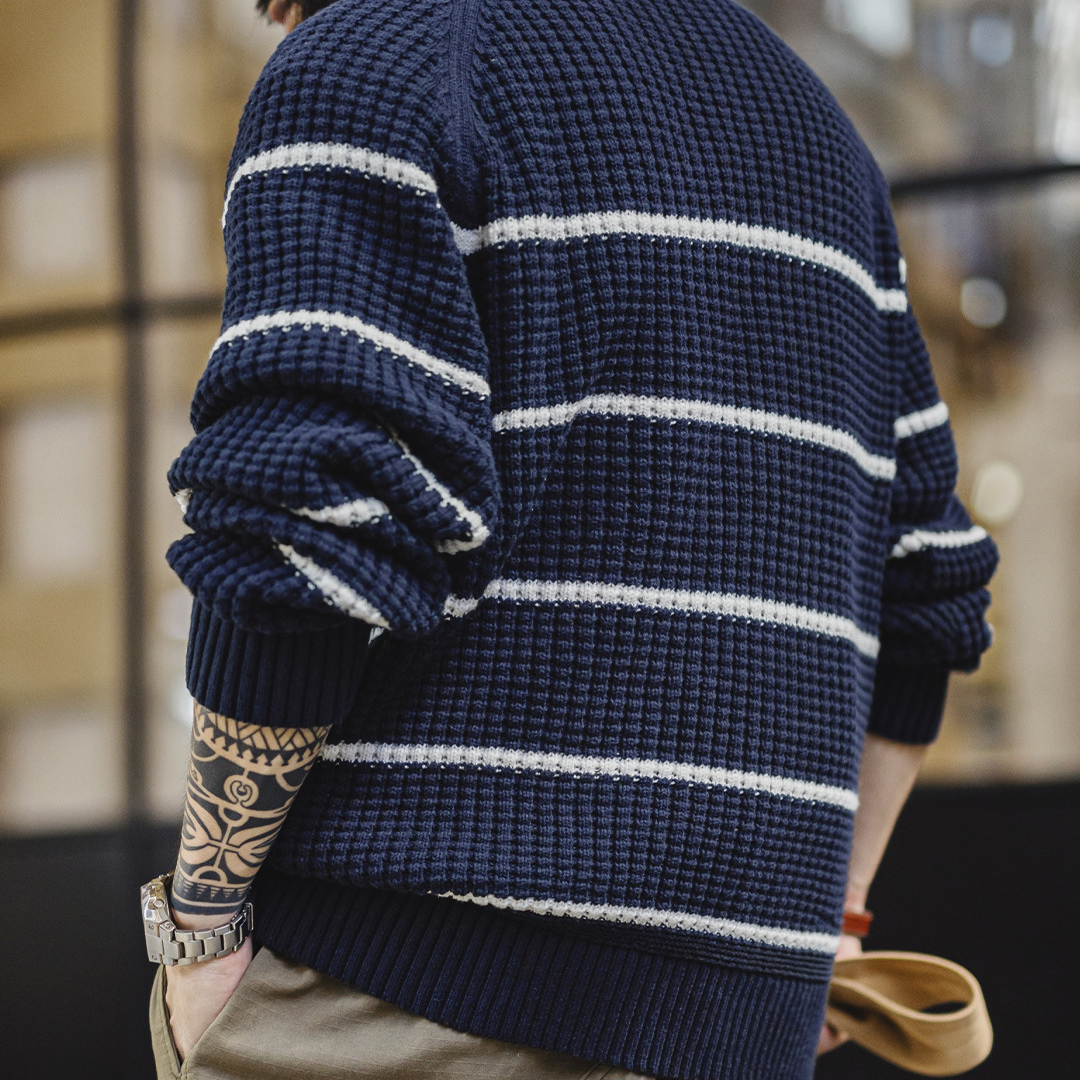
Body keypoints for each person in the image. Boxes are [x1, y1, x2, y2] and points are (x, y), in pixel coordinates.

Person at [144, 1, 1000, 1078]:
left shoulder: (380, 58)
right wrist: (835, 921)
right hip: (740, 1038)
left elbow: (303, 541)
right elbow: (922, 587)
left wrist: (201, 922)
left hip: (395, 1004)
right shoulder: (818, 129)